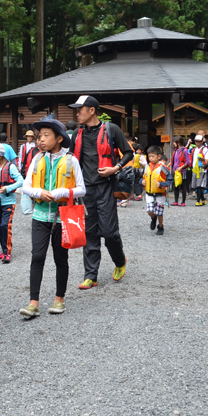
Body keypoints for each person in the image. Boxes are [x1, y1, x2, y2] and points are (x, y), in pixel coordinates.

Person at [19, 118, 86, 318]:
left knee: (60, 259)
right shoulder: (37, 159)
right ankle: (33, 303)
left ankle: (59, 299)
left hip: (61, 217)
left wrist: (61, 192)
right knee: (37, 257)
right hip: (40, 216)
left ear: (59, 138)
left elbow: (82, 189)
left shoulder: (71, 160)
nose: (40, 140)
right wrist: (39, 192)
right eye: (39, 136)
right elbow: (25, 186)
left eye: (46, 136)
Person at [68, 96, 133, 289]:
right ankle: (91, 275)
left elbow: (128, 152)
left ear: (92, 111)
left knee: (108, 232)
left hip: (105, 187)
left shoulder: (111, 129)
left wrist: (116, 168)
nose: (77, 113)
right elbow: (71, 159)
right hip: (84, 190)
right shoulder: (76, 134)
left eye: (80, 109)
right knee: (89, 232)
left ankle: (120, 260)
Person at [0, 142, 23, 263]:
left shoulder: (10, 167)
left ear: (0, 155)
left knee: (5, 225)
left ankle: (7, 253)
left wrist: (7, 188)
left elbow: (20, 181)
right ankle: (3, 251)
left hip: (8, 202)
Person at [141, 145, 169, 235]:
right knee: (149, 210)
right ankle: (153, 218)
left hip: (160, 194)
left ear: (159, 156)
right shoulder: (146, 167)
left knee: (159, 212)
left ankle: (160, 226)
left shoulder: (163, 168)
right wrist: (142, 181)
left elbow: (170, 179)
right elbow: (141, 178)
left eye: (153, 156)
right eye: (149, 156)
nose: (150, 158)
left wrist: (162, 184)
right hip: (149, 193)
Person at [171, 137, 191, 207]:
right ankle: (176, 201)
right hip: (176, 171)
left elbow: (188, 162)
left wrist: (181, 167)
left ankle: (183, 202)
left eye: (174, 142)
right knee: (176, 186)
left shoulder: (184, 150)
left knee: (183, 187)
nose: (173, 143)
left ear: (178, 143)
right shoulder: (175, 151)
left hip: (182, 171)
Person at [191, 134, 208, 206]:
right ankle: (203, 199)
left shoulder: (205, 149)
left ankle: (198, 200)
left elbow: (207, 159)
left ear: (202, 142)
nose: (197, 143)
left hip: (201, 170)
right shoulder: (194, 149)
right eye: (196, 141)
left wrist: (202, 159)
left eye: (198, 141)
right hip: (195, 169)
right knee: (195, 185)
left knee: (199, 186)